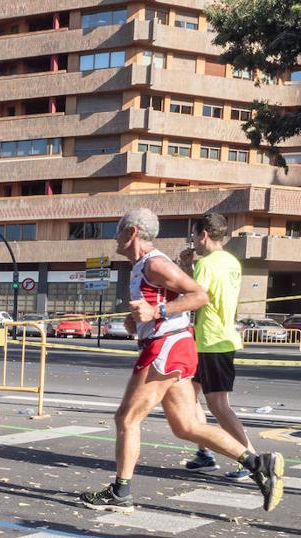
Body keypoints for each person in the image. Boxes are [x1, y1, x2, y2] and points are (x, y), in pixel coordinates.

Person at [80, 208, 283, 513]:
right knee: (186, 426)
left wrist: (156, 313)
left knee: (127, 418)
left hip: (166, 347)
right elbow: (158, 301)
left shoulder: (155, 264)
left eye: (119, 230)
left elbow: (199, 295)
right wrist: (137, 319)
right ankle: (258, 464)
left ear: (132, 232)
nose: (115, 237)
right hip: (173, 345)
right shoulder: (142, 266)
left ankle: (121, 492)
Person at [177, 214, 255, 481]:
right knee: (189, 397)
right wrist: (189, 267)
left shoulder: (208, 264)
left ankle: (252, 459)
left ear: (204, 236)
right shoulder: (230, 262)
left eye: (194, 236)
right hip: (211, 339)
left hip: (212, 340)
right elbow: (207, 294)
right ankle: (205, 453)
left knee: (219, 405)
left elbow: (194, 298)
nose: (193, 242)